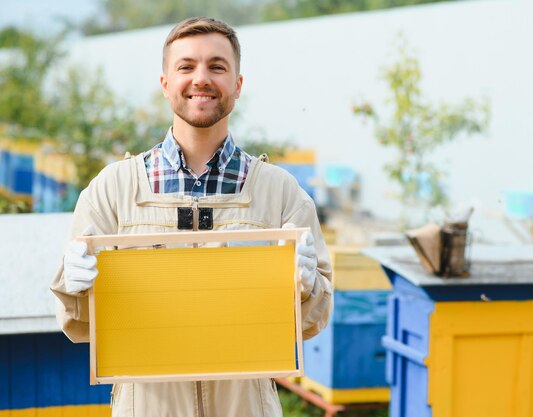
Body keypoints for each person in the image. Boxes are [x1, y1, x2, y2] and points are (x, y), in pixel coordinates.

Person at [50, 16, 333, 417]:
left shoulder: (281, 192)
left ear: (237, 84)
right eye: (186, 66)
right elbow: (77, 325)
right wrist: (74, 287)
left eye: (217, 66)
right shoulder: (112, 189)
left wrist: (307, 287)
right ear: (165, 83)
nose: (201, 78)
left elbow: (312, 320)